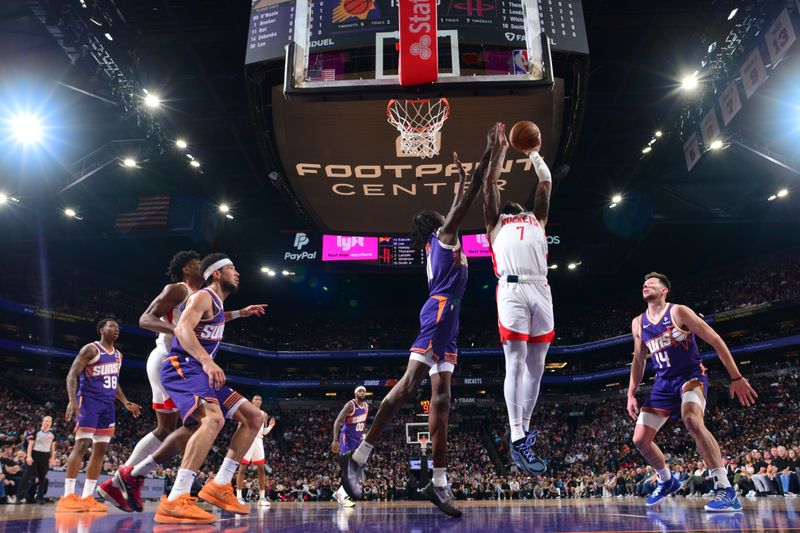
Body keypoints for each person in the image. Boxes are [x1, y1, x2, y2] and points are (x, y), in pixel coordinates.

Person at [341, 125, 496, 517]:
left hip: (451, 318)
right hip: (441, 312)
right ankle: (359, 457)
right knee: (410, 384)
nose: (449, 213)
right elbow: (467, 201)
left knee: (443, 401)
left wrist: (459, 183)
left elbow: (461, 201)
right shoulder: (444, 236)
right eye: (444, 215)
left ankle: (439, 483)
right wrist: (489, 155)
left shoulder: (440, 242)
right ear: (435, 225)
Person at [113, 254, 267, 524]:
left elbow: (212, 322)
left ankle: (220, 485)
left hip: (198, 370)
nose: (237, 272)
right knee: (212, 420)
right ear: (217, 274)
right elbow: (183, 329)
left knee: (255, 417)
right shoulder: (200, 296)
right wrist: (207, 360)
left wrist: (241, 313)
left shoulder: (216, 302)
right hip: (182, 365)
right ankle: (175, 498)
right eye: (231, 268)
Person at [627, 272, 758, 511]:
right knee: (640, 439)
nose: (646, 285)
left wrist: (736, 376)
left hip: (691, 376)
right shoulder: (638, 322)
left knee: (692, 420)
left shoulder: (678, 312)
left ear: (665, 290)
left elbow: (715, 339)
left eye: (652, 283)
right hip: (663, 383)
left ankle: (725, 488)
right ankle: (667, 480)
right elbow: (639, 359)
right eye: (644, 283)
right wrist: (630, 393)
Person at [98, 251, 203, 509]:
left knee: (166, 429)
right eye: (198, 264)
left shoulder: (200, 296)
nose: (204, 267)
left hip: (171, 361)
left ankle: (116, 482)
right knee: (201, 423)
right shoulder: (179, 289)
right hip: (169, 358)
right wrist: (178, 331)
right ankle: (171, 492)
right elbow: (146, 318)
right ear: (186, 270)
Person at [481, 121, 554, 475]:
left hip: (541, 287)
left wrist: (534, 154)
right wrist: (501, 151)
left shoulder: (538, 219)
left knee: (537, 364)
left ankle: (523, 429)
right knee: (515, 361)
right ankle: (514, 434)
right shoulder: (496, 223)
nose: (513, 208)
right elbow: (490, 185)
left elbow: (545, 183)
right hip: (511, 288)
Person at [58, 318, 142, 512]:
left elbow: (114, 382)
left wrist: (125, 401)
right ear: (101, 330)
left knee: (100, 451)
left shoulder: (119, 355)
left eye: (118, 327)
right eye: (112, 326)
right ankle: (68, 496)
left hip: (107, 405)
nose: (116, 330)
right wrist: (72, 400)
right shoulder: (91, 349)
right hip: (88, 402)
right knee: (82, 445)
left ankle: (88, 497)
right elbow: (72, 374)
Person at [331, 386, 369, 507]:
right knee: (348, 467)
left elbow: (361, 424)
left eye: (364, 391)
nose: (362, 393)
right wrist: (335, 440)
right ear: (355, 393)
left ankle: (341, 493)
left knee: (356, 468)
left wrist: (363, 436)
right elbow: (338, 421)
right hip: (346, 438)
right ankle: (342, 495)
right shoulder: (350, 405)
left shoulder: (366, 406)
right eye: (360, 391)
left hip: (358, 439)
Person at [235, 394, 276, 506]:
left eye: (260, 399)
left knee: (261, 470)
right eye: (256, 399)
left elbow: (263, 432)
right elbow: (239, 427)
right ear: (252, 401)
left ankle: (262, 498)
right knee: (242, 468)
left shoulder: (264, 414)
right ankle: (238, 497)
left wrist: (271, 426)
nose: (258, 401)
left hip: (258, 441)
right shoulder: (246, 412)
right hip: (247, 440)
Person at [18, 415, 56, 504]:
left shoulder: (53, 434)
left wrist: (52, 458)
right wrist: (29, 456)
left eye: (49, 421)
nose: (47, 423)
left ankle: (40, 497)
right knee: (25, 476)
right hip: (34, 455)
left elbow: (53, 447)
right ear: (42, 422)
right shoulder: (36, 432)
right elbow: (30, 445)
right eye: (46, 421)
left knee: (42, 478)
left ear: (51, 423)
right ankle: (19, 497)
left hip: (45, 456)